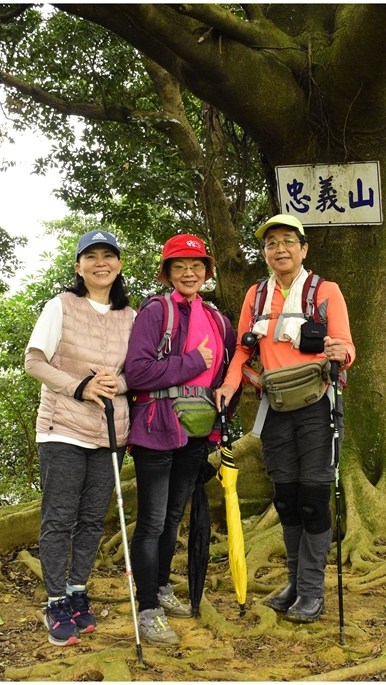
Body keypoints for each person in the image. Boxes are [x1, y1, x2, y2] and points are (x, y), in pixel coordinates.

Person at [215, 214, 355, 624]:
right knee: (287, 499)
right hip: (274, 406)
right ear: (265, 252)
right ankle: (295, 584)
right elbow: (243, 349)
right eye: (271, 242)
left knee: (313, 500)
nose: (280, 249)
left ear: (303, 248)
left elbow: (347, 347)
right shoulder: (255, 296)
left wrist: (338, 353)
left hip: (317, 405)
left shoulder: (325, 291)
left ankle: (312, 592)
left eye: (288, 241)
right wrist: (228, 386)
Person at [124, 234, 237, 646]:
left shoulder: (218, 319)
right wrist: (192, 362)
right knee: (152, 521)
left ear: (207, 271)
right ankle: (148, 606)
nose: (189, 272)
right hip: (156, 426)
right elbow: (136, 373)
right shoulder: (156, 312)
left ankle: (161, 587)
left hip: (197, 429)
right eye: (179, 266)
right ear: (167, 272)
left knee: (173, 517)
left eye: (196, 265)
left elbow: (226, 375)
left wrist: (223, 412)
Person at [24, 229, 133, 646]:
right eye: (91, 257)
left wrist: (117, 384)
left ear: (119, 264)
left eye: (108, 256)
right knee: (59, 518)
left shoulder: (131, 315)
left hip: (110, 432)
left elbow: (135, 372)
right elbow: (34, 361)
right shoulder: (61, 306)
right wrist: (79, 386)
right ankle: (54, 601)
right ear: (78, 266)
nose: (100, 263)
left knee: (91, 519)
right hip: (62, 428)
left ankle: (76, 591)